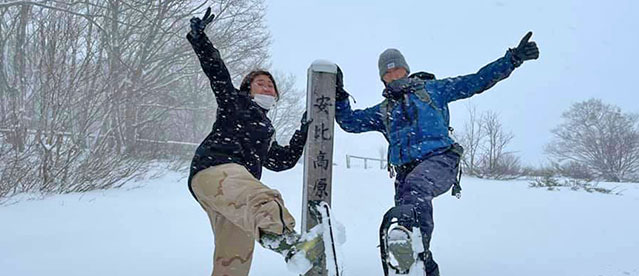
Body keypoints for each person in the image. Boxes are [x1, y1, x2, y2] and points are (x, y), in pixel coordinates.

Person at [334, 32, 540, 275]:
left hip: (441, 160)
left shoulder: (433, 90)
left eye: (397, 70)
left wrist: (512, 59)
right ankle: (419, 263)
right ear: (382, 79)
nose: (393, 76)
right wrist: (338, 95)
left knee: (416, 192)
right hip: (406, 172)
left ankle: (411, 244)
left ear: (406, 70)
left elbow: (476, 81)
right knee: (409, 217)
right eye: (387, 73)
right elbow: (350, 122)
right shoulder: (383, 111)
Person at [186, 8, 323, 276]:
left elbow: (280, 161)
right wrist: (199, 39)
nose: (267, 88)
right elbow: (218, 74)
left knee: (235, 257)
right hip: (216, 169)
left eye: (271, 86)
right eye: (261, 83)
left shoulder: (265, 129)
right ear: (248, 88)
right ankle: (290, 245)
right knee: (262, 199)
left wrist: (302, 133)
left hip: (228, 194)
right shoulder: (234, 102)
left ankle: (273, 242)